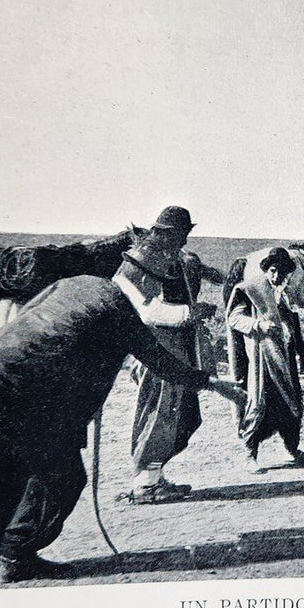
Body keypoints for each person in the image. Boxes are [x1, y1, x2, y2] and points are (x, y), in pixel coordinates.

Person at [0, 274, 246, 582]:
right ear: (142, 282)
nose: (154, 292)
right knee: (63, 478)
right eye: (152, 285)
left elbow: (37, 321)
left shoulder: (74, 284)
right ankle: (15, 555)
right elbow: (161, 362)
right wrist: (213, 384)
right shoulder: (118, 308)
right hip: (21, 386)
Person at [115, 206, 220, 502]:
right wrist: (191, 313)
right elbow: (146, 310)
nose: (186, 240)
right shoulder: (144, 259)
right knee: (159, 411)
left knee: (177, 413)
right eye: (184, 233)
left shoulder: (166, 257)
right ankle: (146, 484)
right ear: (171, 233)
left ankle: (154, 477)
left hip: (172, 349)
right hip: (155, 350)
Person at [226, 246, 304, 464]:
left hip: (285, 358)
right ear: (265, 269)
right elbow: (234, 319)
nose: (276, 276)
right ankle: (250, 455)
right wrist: (258, 325)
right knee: (258, 403)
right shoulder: (249, 290)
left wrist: (301, 353)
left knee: (290, 403)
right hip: (261, 360)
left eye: (281, 273)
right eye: (273, 271)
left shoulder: (283, 295)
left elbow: (293, 325)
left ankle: (292, 449)